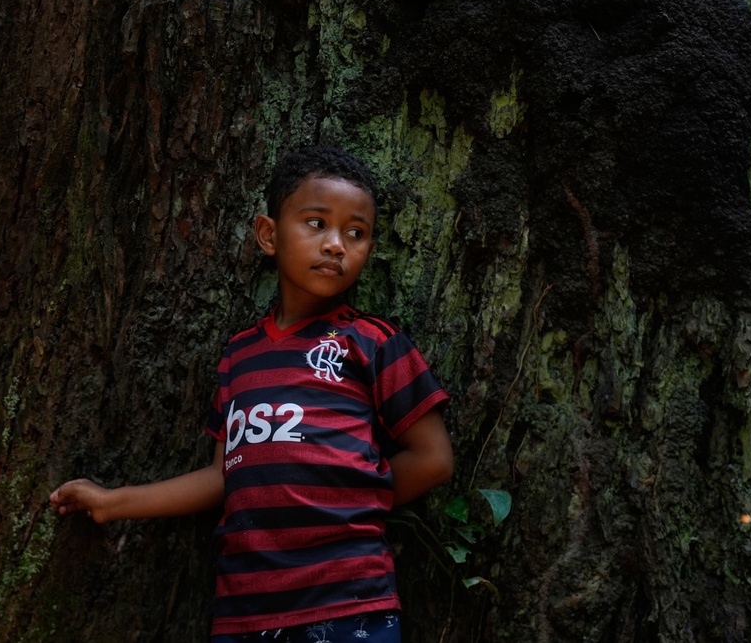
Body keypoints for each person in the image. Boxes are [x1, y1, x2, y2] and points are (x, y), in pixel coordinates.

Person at [50, 146, 454, 642]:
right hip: (247, 609)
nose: (335, 245)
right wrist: (115, 503)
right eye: (315, 223)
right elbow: (225, 476)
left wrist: (348, 498)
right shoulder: (238, 357)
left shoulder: (372, 342)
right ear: (268, 234)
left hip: (349, 599)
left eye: (356, 233)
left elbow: (433, 459)